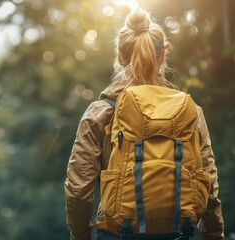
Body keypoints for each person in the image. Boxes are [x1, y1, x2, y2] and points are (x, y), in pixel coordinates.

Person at [64, 9, 225, 240]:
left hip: (117, 233)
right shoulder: (190, 113)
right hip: (178, 233)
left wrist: (80, 236)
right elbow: (208, 182)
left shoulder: (100, 112)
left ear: (120, 56)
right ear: (163, 56)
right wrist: (213, 235)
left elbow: (79, 190)